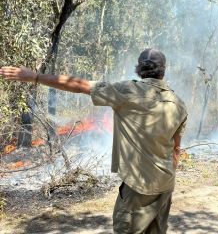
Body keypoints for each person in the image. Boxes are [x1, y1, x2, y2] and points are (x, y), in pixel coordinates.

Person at [0, 48, 188, 234]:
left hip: (138, 186)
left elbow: (80, 85)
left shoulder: (128, 91)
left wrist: (35, 77)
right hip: (165, 184)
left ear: (139, 69)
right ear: (163, 71)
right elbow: (176, 150)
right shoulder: (178, 103)